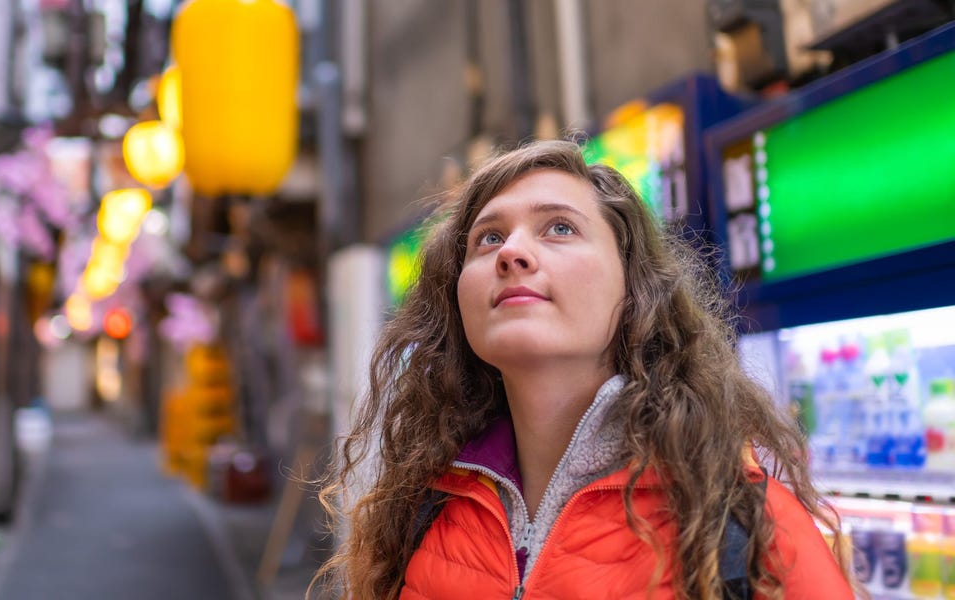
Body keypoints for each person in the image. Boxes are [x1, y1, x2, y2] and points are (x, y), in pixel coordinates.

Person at [316, 140, 856, 599]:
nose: (512, 253)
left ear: (634, 289)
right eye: (489, 238)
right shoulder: (420, 512)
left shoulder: (744, 523)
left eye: (559, 228)